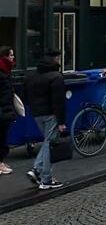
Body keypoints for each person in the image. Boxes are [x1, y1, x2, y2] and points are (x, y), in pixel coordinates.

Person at [23, 48, 67, 191]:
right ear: (56, 59)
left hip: (36, 113)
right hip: (50, 114)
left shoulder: (31, 75)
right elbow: (58, 101)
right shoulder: (56, 76)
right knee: (49, 144)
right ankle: (45, 178)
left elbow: (25, 95)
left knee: (47, 142)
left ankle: (37, 170)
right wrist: (61, 121)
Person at [0, 46, 18, 176]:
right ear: (5, 56)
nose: (13, 57)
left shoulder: (5, 71)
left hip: (5, 109)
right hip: (2, 110)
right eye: (11, 55)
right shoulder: (3, 72)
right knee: (1, 137)